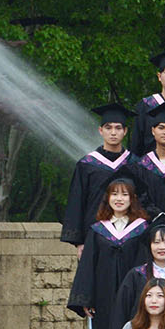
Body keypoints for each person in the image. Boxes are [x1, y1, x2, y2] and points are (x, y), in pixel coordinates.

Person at [63, 105, 134, 252]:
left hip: (129, 237)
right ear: (100, 131)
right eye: (108, 128)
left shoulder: (135, 164)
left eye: (118, 128)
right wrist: (79, 242)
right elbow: (77, 203)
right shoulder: (87, 165)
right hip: (93, 236)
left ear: (125, 131)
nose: (113, 132)